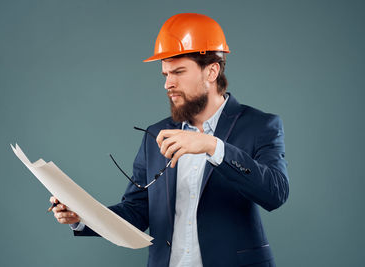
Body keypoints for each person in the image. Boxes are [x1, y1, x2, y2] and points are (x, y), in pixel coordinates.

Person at [49, 13, 289, 267]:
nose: (168, 84)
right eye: (165, 74)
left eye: (178, 72)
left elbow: (276, 192)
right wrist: (82, 215)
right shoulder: (156, 135)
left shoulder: (260, 125)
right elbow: (136, 211)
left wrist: (213, 146)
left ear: (211, 71)